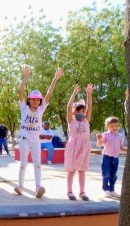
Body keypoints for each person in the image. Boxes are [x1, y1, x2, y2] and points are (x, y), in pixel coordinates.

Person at [14, 66, 63, 198]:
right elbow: (20, 91)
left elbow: (48, 94)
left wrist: (55, 78)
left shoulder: (41, 109)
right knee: (23, 163)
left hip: (36, 141)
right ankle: (20, 186)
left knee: (37, 164)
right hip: (24, 139)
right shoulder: (23, 107)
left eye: (38, 99)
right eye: (33, 99)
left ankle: (37, 187)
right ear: (29, 100)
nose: (36, 101)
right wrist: (25, 77)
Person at [64, 84, 94, 201]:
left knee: (82, 171)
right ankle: (70, 191)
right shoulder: (71, 121)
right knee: (71, 171)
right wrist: (74, 94)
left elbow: (90, 107)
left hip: (84, 147)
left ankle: (82, 192)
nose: (81, 112)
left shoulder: (87, 120)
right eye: (78, 110)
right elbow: (68, 107)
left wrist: (89, 94)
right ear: (74, 112)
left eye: (83, 110)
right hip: (73, 147)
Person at [96, 117, 127, 199]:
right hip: (106, 157)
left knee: (113, 175)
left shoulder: (120, 136)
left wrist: (129, 150)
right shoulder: (105, 135)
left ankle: (112, 190)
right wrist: (99, 139)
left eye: (116, 126)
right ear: (107, 127)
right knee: (106, 174)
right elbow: (99, 145)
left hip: (116, 158)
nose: (114, 128)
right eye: (112, 126)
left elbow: (121, 147)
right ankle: (106, 189)